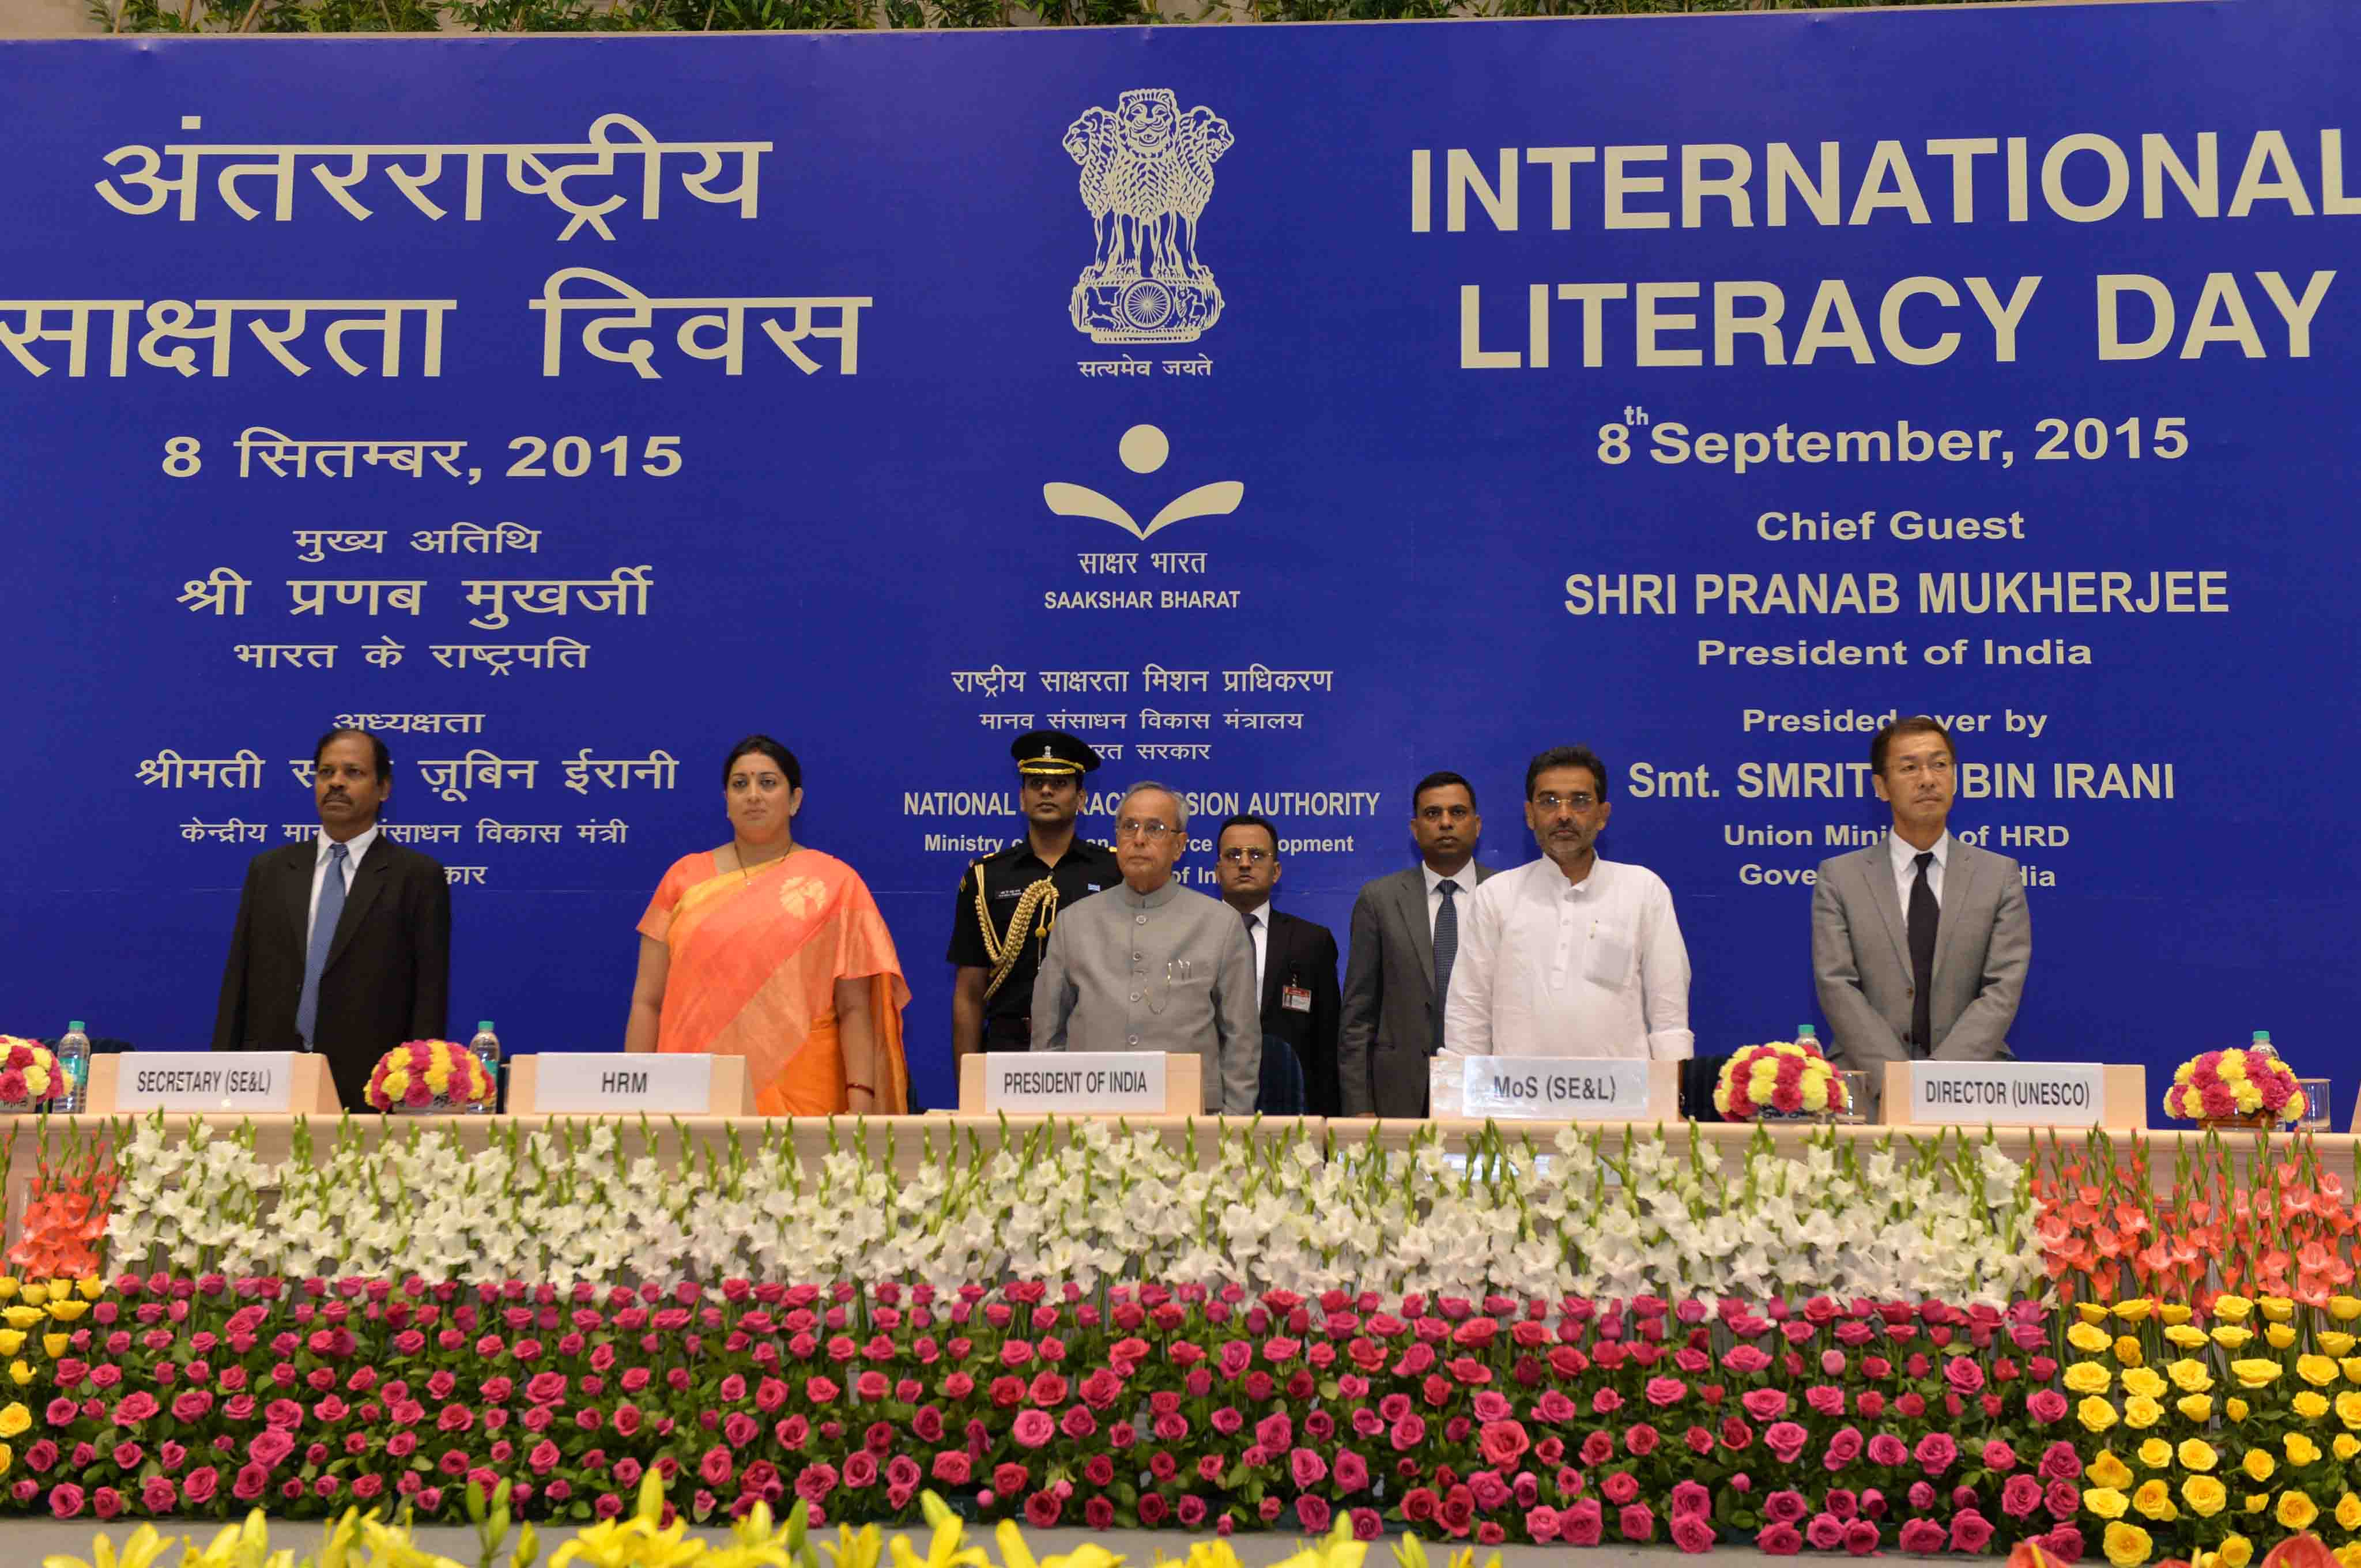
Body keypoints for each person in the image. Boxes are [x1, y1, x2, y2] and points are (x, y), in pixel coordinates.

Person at [624, 736, 910, 1116]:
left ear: (795, 800)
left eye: (768, 782)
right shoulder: (684, 879)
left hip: (804, 1098)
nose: (753, 795)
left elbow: (855, 1010)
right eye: (740, 784)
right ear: (726, 802)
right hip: (692, 1092)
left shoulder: (836, 883)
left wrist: (858, 1110)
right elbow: (648, 1001)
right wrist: (631, 1100)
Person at [211, 728, 451, 1112]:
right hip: (267, 1079)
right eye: (326, 773)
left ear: (383, 788)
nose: (336, 783)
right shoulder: (270, 870)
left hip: (371, 1084)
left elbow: (429, 996)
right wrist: (222, 1070)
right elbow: (238, 980)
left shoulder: (416, 876)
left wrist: (415, 1094)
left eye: (353, 773)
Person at [1812, 715, 2030, 1109]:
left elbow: (2002, 988)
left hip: (1974, 1086)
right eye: (1909, 767)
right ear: (1881, 786)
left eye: (1939, 764)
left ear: (1956, 777)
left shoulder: (1999, 875)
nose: (1928, 779)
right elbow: (1837, 985)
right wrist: (1897, 1081)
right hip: (1868, 1087)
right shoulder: (1839, 878)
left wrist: (1938, 1083)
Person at [1444, 745, 1692, 1061]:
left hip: (1622, 1101)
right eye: (1548, 802)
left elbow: (1669, 1010)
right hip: (1516, 1101)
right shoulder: (1497, 895)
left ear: (1603, 816)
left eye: (1580, 801)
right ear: (1530, 816)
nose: (1564, 814)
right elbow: (1468, 1012)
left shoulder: (1643, 889)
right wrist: (1463, 1104)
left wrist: (1671, 1099)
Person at [1031, 782, 1260, 1113]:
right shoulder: (1073, 923)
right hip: (1089, 1118)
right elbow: (1047, 1038)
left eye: (1155, 829)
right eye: (1129, 827)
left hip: (1191, 1120)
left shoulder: (1221, 925)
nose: (1139, 839)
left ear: (1180, 846)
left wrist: (1233, 1131)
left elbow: (1242, 1043)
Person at [948, 730, 1123, 1058]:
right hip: (1008, 1046)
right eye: (1035, 783)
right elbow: (969, 992)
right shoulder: (986, 878)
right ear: (1022, 798)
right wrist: (968, 1082)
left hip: (1091, 1046)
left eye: (1059, 784)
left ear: (1081, 799)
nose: (1046, 790)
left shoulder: (1114, 872)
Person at [1338, 770, 1494, 1117]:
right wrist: (1359, 1106)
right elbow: (1358, 1014)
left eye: (1458, 813)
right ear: (1415, 828)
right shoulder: (1380, 899)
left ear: (1477, 824)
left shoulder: (1507, 893)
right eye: (1433, 814)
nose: (1446, 823)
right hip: (1399, 1092)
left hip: (1488, 1087)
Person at [1213, 812, 1341, 1114]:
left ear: (1276, 871)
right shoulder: (1190, 936)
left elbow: (1327, 1043)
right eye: (1233, 855)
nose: (1245, 864)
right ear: (1218, 871)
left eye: (1257, 855)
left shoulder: (1313, 942)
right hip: (1210, 1097)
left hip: (1289, 1101)